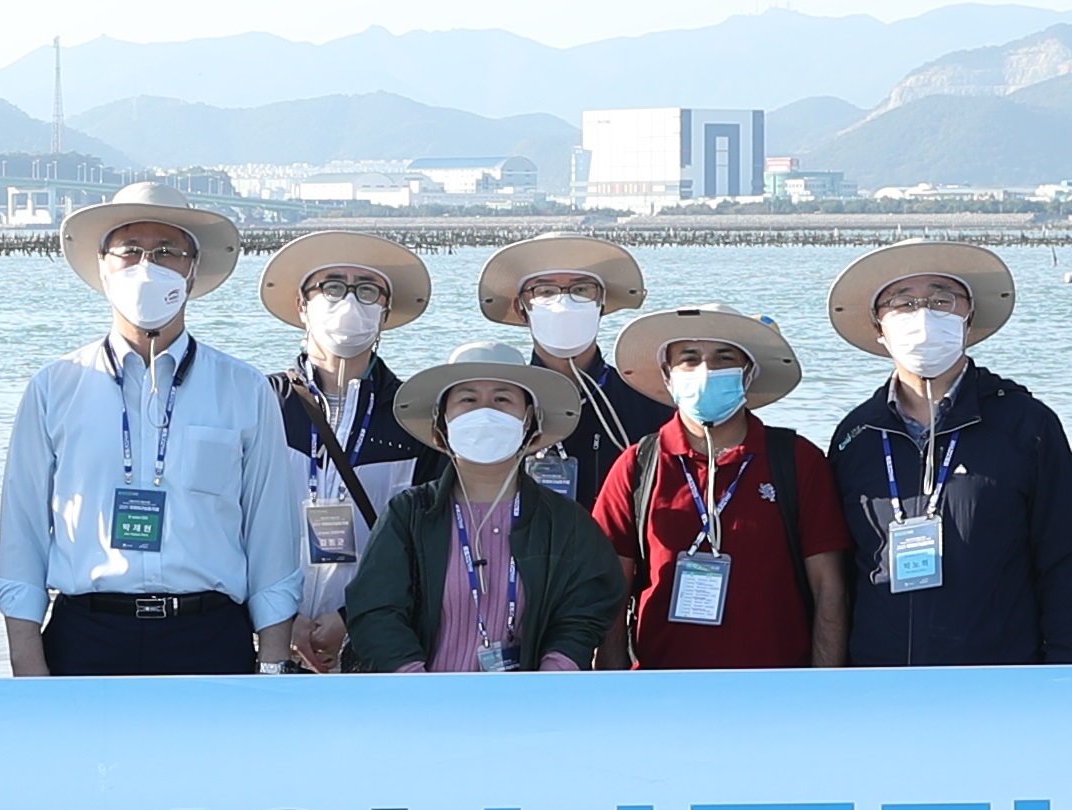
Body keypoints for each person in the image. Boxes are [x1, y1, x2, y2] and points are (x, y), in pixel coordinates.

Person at [0, 178, 310, 677]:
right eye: (129, 250)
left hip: (210, 635)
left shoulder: (245, 389)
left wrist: (272, 664)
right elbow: (22, 534)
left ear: (193, 269)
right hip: (86, 634)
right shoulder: (56, 386)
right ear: (103, 266)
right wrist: (28, 662)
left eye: (167, 252)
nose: (147, 266)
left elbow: (272, 536)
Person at [822, 241, 1072, 666]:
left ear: (968, 319)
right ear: (879, 328)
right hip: (879, 681)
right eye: (902, 303)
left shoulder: (1026, 424)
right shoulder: (856, 435)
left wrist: (1067, 676)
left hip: (996, 680)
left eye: (941, 300)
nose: (923, 315)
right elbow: (838, 577)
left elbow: (1067, 564)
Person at [341, 350, 630, 672]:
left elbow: (586, 607)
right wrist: (414, 681)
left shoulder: (566, 521)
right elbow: (376, 610)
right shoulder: (409, 514)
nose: (485, 412)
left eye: (502, 399)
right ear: (442, 420)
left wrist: (556, 670)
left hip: (533, 708)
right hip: (422, 707)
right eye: (468, 400)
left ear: (529, 419)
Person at [595, 307, 847, 670]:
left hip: (778, 690)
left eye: (723, 358)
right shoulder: (637, 465)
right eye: (689, 359)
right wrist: (613, 691)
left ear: (748, 372)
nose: (705, 370)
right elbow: (610, 592)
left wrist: (826, 687)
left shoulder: (797, 460)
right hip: (661, 689)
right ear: (667, 375)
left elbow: (829, 589)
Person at [257, 225, 433, 673]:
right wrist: (278, 618)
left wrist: (350, 617)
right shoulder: (260, 402)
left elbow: (423, 544)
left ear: (385, 311)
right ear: (303, 306)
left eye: (368, 290)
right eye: (332, 288)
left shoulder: (415, 415)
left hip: (372, 640)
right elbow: (229, 522)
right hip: (266, 634)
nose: (350, 301)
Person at [475, 233, 668, 508]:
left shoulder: (651, 405)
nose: (563, 304)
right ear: (521, 308)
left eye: (581, 290)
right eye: (544, 291)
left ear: (601, 303)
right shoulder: (498, 408)